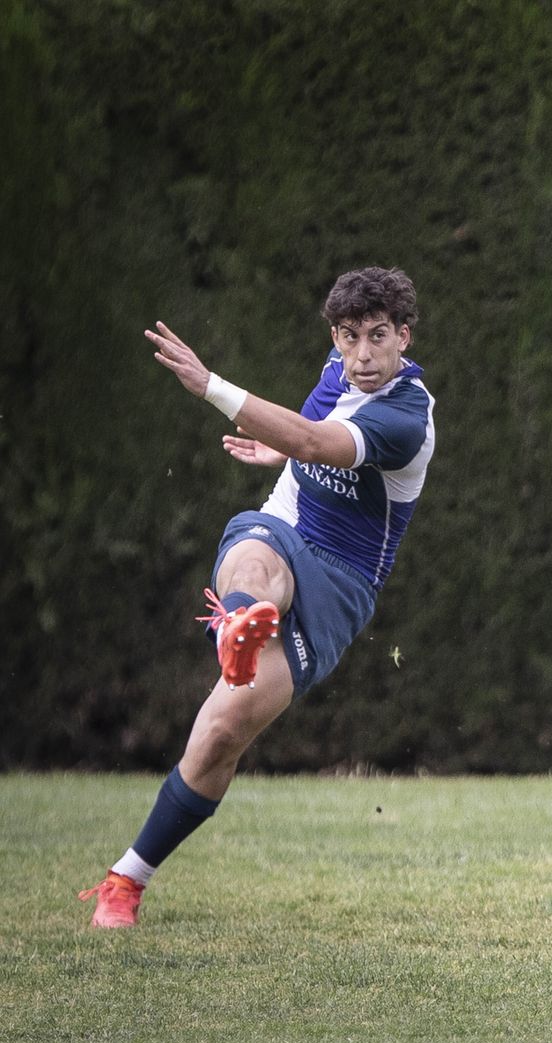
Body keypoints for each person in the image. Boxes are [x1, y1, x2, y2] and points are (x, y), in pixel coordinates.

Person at [78, 267, 437, 928]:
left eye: (378, 336)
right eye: (349, 336)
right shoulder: (339, 369)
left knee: (222, 733)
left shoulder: (407, 417)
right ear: (335, 336)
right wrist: (285, 456)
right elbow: (310, 433)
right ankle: (237, 625)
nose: (361, 354)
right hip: (285, 527)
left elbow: (314, 438)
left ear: (404, 337)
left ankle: (134, 870)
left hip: (342, 582)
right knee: (255, 557)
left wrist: (211, 386)